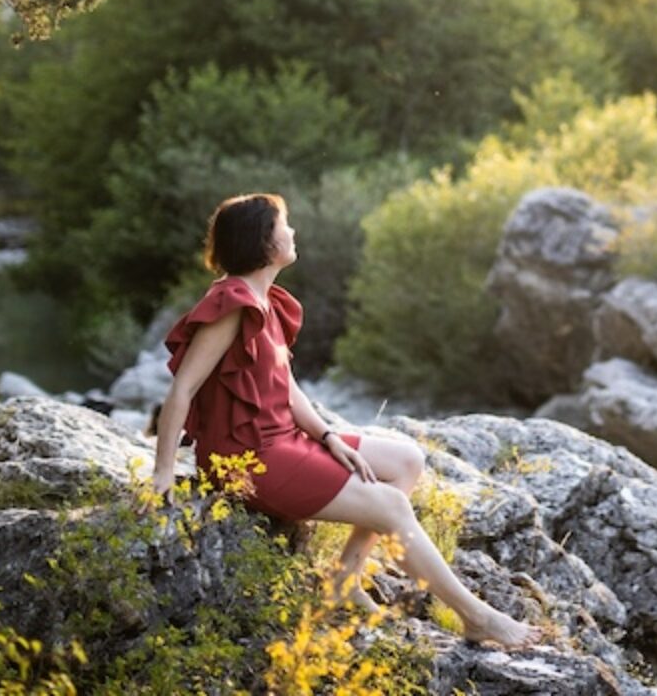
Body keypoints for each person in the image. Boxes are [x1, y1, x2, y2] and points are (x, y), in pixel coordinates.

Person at [150, 192, 542, 650]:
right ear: (263, 240)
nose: (293, 232)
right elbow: (182, 389)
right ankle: (478, 618)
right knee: (390, 507)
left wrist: (329, 435)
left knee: (406, 460)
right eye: (284, 225)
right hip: (247, 458)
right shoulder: (232, 304)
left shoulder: (266, 301)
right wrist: (162, 474)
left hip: (282, 441)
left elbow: (285, 387)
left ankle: (343, 580)